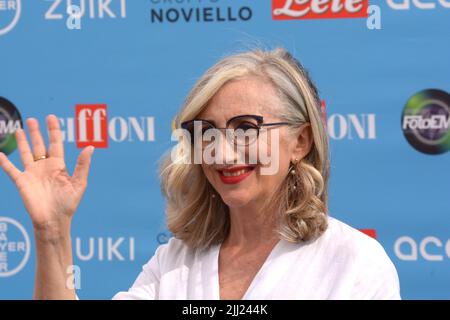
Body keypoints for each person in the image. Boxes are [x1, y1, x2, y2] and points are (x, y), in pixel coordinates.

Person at [0, 48, 400, 300]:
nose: (222, 152)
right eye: (206, 132)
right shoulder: (176, 262)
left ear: (300, 142)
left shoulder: (354, 263)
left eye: (246, 129)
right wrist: (52, 233)